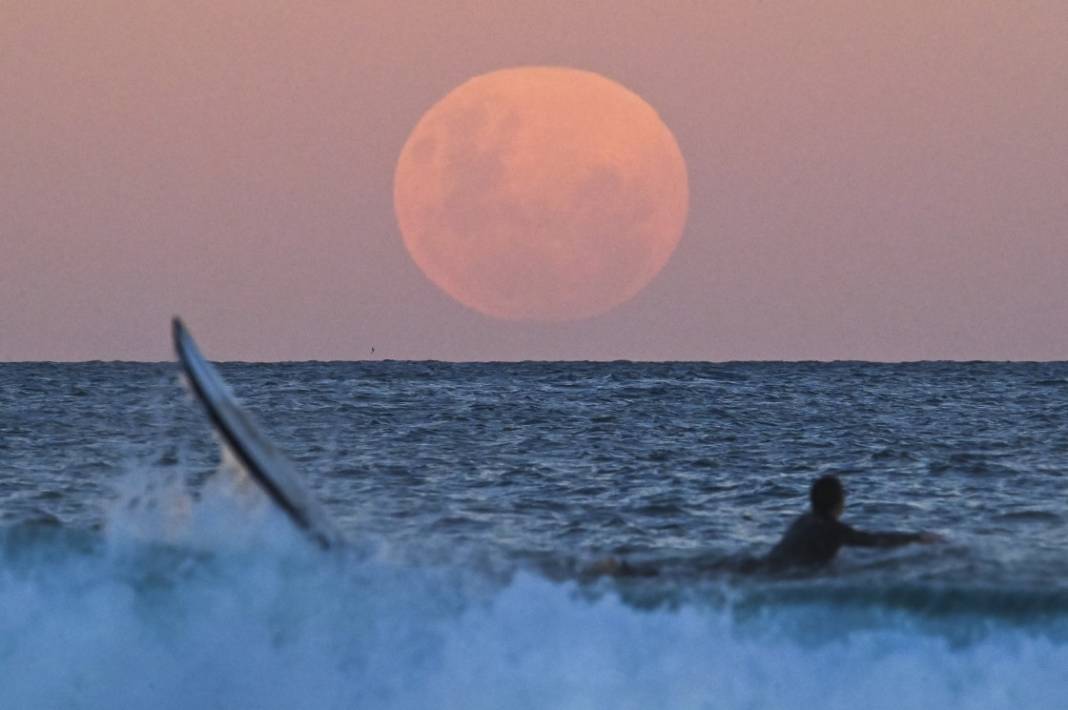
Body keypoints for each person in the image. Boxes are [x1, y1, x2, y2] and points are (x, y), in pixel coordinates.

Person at [764, 474, 942, 570]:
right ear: (838, 503)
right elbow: (873, 540)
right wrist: (917, 537)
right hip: (782, 574)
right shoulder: (832, 530)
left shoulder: (803, 520)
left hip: (765, 566)